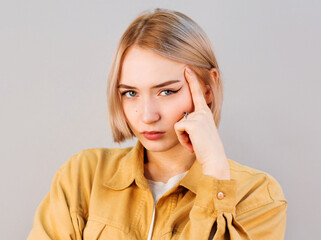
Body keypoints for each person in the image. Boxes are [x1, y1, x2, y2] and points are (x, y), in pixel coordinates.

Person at [28, 8, 287, 240]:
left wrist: (215, 174)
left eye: (167, 92)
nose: (147, 115)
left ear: (208, 89)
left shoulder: (259, 196)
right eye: (131, 93)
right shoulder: (82, 176)